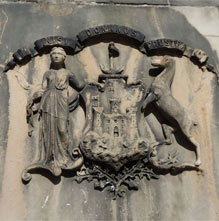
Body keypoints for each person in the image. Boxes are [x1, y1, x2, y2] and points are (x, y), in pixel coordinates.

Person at [22, 47, 85, 181]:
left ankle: (65, 158)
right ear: (51, 58)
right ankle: (51, 159)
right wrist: (35, 96)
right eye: (54, 54)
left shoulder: (68, 73)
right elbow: (44, 88)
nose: (56, 56)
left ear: (64, 58)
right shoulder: (48, 73)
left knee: (62, 130)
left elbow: (79, 86)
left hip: (62, 102)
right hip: (48, 102)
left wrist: (90, 85)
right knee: (49, 130)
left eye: (59, 54)